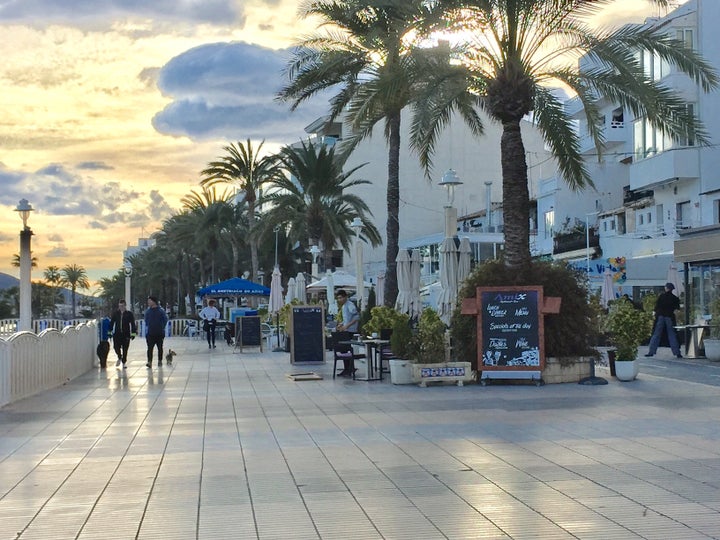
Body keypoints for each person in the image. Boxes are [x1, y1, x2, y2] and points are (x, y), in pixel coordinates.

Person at [645, 283, 682, 358]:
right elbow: (677, 310)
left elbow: (656, 307)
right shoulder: (675, 298)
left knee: (656, 334)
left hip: (660, 316)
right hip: (670, 317)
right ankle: (677, 352)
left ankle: (651, 351)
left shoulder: (661, 296)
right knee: (672, 334)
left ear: (666, 288)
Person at [108, 299, 137, 368]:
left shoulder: (129, 314)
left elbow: (132, 324)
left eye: (122, 306)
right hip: (117, 334)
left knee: (125, 349)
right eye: (120, 306)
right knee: (116, 347)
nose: (121, 307)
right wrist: (109, 332)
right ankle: (119, 357)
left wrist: (133, 333)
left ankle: (124, 362)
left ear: (125, 306)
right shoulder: (115, 313)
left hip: (126, 334)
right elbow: (111, 323)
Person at [144, 296, 168, 368]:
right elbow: (146, 320)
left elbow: (165, 319)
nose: (148, 302)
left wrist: (161, 327)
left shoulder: (161, 311)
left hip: (159, 333)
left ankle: (160, 360)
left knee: (160, 347)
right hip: (150, 333)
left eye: (149, 301)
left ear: (154, 301)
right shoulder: (148, 311)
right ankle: (149, 361)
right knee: (150, 348)